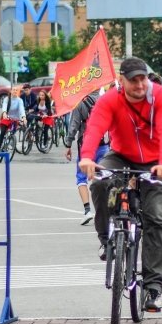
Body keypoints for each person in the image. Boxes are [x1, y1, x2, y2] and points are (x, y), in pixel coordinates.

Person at [79, 57, 162, 312]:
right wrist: (87, 157)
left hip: (156, 161)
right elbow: (95, 128)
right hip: (120, 156)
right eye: (133, 79)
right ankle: (106, 238)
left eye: (142, 78)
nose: (139, 84)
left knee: (156, 217)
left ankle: (153, 288)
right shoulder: (110, 99)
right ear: (121, 81)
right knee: (99, 182)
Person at [65, 91, 109, 225]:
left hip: (86, 147)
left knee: (81, 178)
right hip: (103, 145)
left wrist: (68, 144)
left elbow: (73, 126)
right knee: (103, 177)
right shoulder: (105, 100)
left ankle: (87, 210)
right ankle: (105, 210)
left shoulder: (81, 103)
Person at [0, 86, 26, 151]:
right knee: (3, 132)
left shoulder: (19, 100)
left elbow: (21, 109)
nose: (15, 91)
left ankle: (11, 142)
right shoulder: (7, 99)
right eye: (13, 90)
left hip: (15, 119)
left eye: (16, 90)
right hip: (6, 118)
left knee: (12, 133)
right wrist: (4, 113)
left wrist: (24, 117)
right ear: (11, 91)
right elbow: (4, 106)